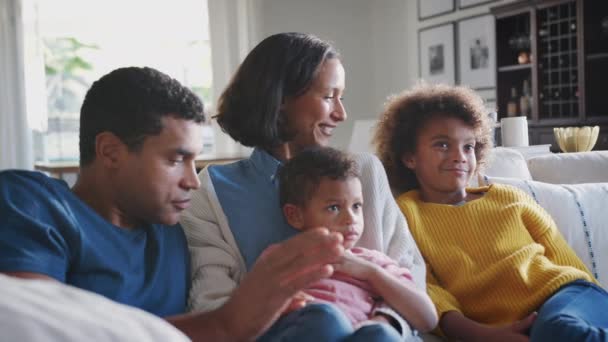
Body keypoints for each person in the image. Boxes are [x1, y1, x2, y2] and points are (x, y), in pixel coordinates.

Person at [0, 66, 344, 341]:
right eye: (175, 160)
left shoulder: (174, 233)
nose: (193, 181)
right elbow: (35, 326)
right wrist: (226, 325)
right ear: (110, 151)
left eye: (195, 162)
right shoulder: (33, 202)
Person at [181, 32, 427, 340]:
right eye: (328, 97)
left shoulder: (362, 171)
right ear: (281, 99)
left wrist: (381, 323)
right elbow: (210, 302)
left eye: (341, 97)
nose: (341, 113)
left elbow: (409, 273)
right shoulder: (211, 190)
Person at [373, 83, 608, 341]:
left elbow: (564, 258)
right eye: (442, 145)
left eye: (468, 147)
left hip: (569, 295)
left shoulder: (509, 197)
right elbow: (427, 289)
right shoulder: (407, 214)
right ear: (409, 157)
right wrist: (484, 335)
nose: (460, 156)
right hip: (525, 326)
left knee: (559, 328)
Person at [265, 146, 437, 341]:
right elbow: (249, 309)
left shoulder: (373, 261)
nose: (351, 219)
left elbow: (427, 319)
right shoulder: (283, 257)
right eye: (334, 207)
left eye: (356, 206)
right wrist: (281, 304)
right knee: (326, 319)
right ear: (295, 215)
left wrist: (371, 272)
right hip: (306, 326)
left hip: (359, 334)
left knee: (383, 335)